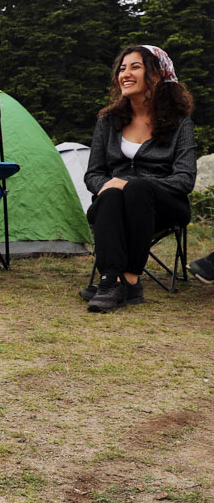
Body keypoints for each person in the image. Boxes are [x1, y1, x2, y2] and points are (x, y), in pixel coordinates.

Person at [82, 45, 196, 312]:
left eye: (135, 67)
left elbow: (184, 179)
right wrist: (109, 185)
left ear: (156, 76)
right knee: (111, 193)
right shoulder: (108, 121)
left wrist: (131, 182)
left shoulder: (180, 124)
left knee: (137, 189)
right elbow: (93, 174)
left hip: (165, 207)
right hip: (113, 205)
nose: (125, 74)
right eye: (122, 68)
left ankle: (130, 278)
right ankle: (112, 281)